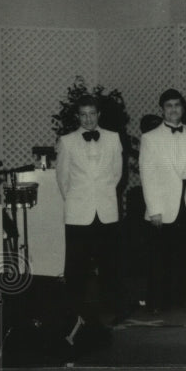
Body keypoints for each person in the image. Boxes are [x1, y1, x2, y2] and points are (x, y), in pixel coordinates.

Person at [55, 94, 125, 326]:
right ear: (78, 116)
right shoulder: (66, 141)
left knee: (111, 264)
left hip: (106, 210)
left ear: (99, 115)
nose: (87, 119)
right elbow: (63, 179)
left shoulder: (114, 138)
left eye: (92, 114)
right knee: (76, 267)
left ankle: (112, 310)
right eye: (83, 115)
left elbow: (116, 175)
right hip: (78, 213)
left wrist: (100, 195)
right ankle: (75, 314)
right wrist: (79, 200)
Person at [139, 88, 186, 311]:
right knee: (160, 257)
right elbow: (147, 176)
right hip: (162, 204)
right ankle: (157, 302)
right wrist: (154, 209)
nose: (173, 110)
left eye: (177, 105)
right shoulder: (150, 138)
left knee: (183, 254)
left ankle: (179, 301)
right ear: (162, 110)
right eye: (169, 106)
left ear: (183, 108)